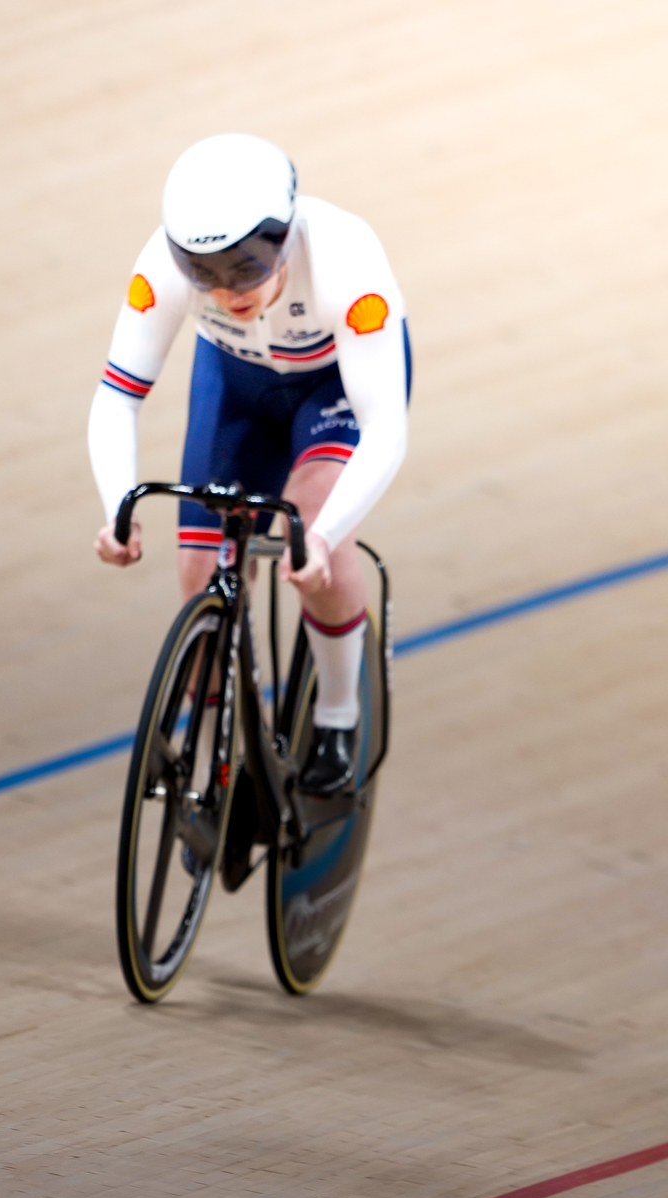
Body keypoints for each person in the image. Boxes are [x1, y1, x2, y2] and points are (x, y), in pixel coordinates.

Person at [88, 134, 410, 795]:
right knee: (199, 568)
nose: (227, 288)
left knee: (312, 531)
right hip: (236, 387)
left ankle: (338, 714)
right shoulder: (162, 268)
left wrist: (321, 537)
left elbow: (385, 429)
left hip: (334, 390)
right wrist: (117, 507)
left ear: (286, 236)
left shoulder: (347, 259)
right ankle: (212, 757)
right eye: (204, 271)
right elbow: (117, 396)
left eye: (248, 265)